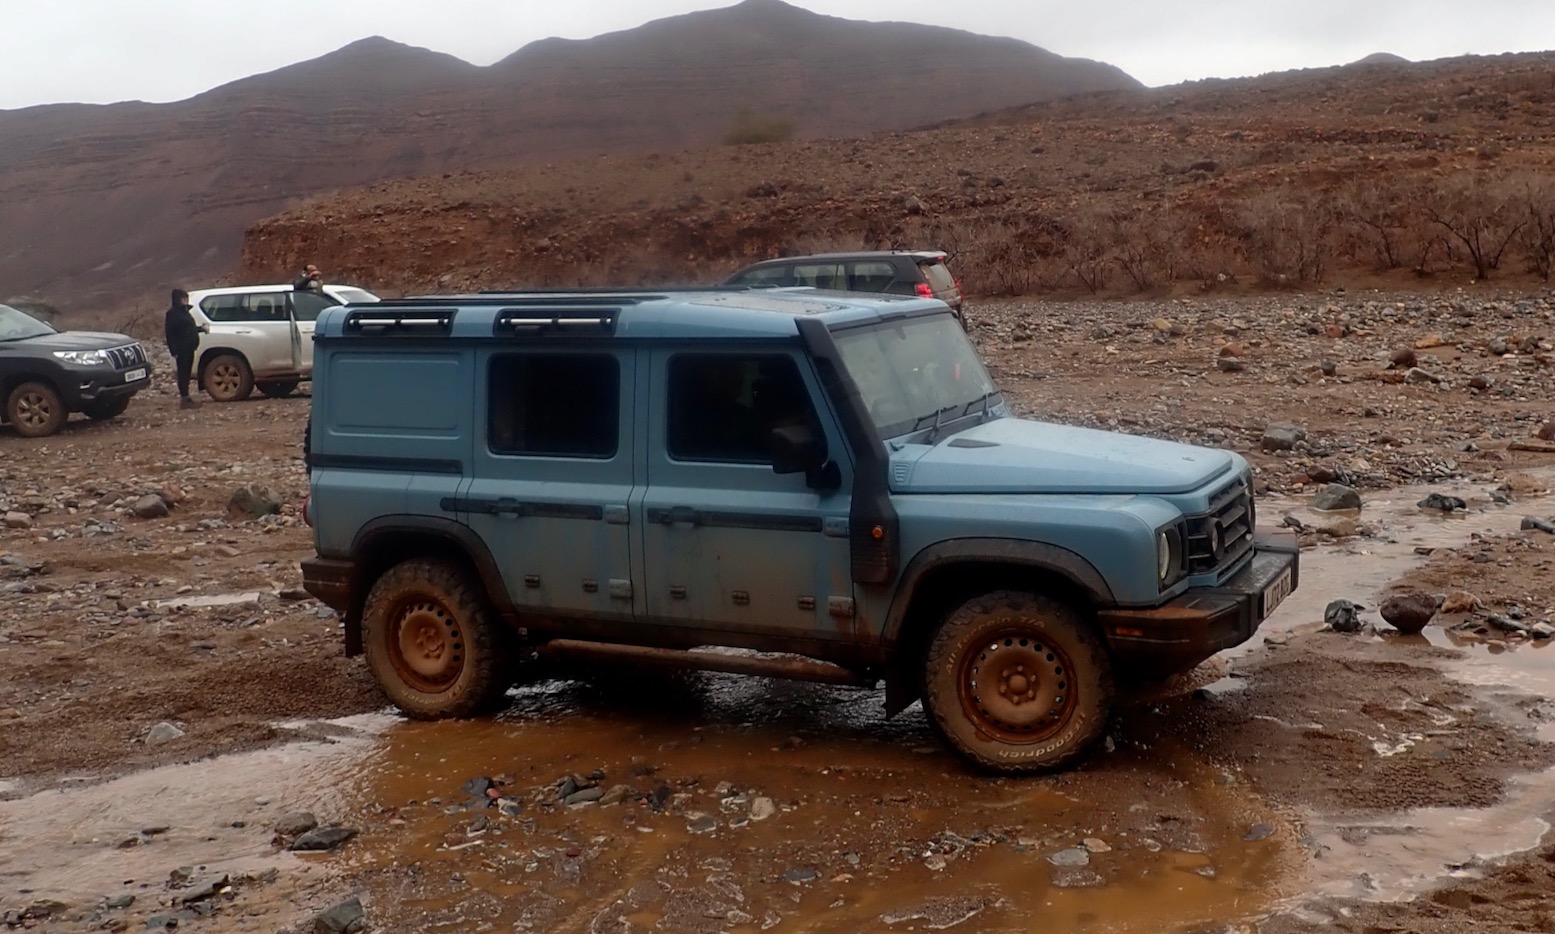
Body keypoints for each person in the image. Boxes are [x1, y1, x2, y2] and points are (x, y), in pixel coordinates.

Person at [163, 288, 207, 408]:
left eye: (186, 298)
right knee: (183, 373)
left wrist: (200, 329)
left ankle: (187, 398)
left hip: (189, 347)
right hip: (181, 348)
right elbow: (170, 333)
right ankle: (184, 399)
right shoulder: (173, 314)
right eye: (183, 298)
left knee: (187, 372)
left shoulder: (185, 312)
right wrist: (173, 350)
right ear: (178, 299)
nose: (186, 300)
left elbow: (189, 328)